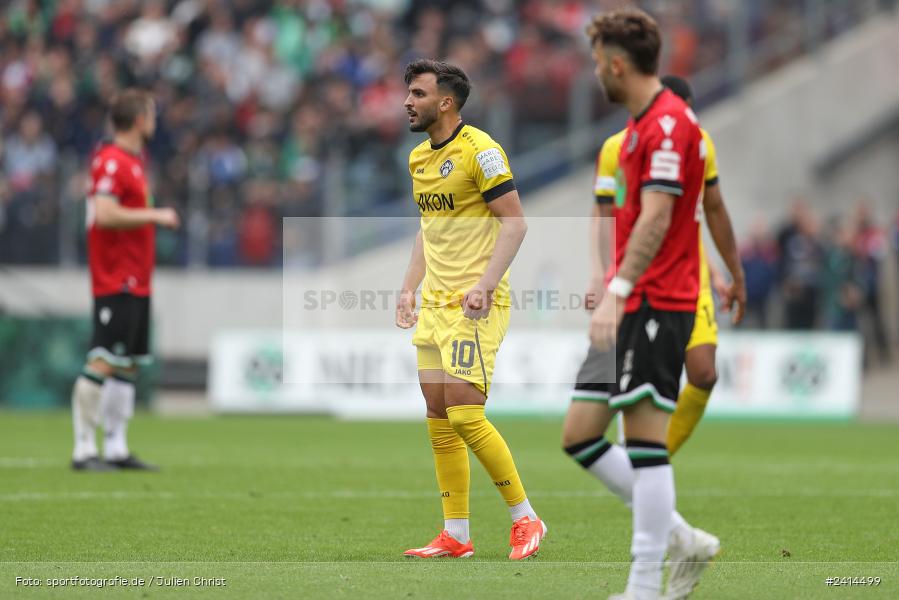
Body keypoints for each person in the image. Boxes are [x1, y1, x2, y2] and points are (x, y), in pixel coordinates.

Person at [562, 10, 716, 599]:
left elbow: (655, 219)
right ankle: (684, 540)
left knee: (647, 445)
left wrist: (618, 288)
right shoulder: (637, 128)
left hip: (656, 300)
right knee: (581, 434)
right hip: (632, 298)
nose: (596, 71)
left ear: (618, 63)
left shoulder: (672, 126)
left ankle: (644, 587)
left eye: (598, 60)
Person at [396, 59, 545, 560]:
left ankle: (525, 518)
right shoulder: (418, 158)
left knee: (464, 412)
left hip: (474, 303)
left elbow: (515, 223)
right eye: (407, 93)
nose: (407, 102)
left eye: (417, 94)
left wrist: (485, 284)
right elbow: (427, 229)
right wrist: (407, 287)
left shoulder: (481, 151)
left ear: (446, 102)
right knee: (438, 414)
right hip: (435, 303)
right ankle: (456, 533)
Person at [70, 89, 180, 471]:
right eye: (150, 114)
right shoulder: (111, 162)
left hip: (137, 278)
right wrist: (155, 216)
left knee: (127, 363)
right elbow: (104, 213)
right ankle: (84, 449)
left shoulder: (135, 161)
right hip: (115, 277)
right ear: (138, 120)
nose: (154, 120)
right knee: (102, 359)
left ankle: (116, 447)